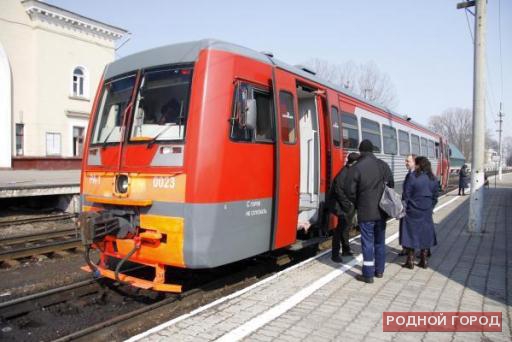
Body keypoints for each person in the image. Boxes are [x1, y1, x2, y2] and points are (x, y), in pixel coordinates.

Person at [344, 140, 394, 283]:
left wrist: (358, 200)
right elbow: (390, 184)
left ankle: (368, 274)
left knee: (367, 243)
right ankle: (379, 271)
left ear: (360, 151)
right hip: (382, 211)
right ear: (372, 151)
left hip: (366, 211)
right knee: (379, 242)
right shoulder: (383, 165)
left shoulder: (357, 167)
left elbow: (349, 190)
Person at [401, 156, 439, 269]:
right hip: (426, 210)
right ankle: (424, 260)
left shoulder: (412, 177)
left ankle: (410, 260)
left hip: (412, 210)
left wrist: (405, 207)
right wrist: (430, 207)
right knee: (425, 233)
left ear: (418, 165)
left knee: (410, 233)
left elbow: (406, 195)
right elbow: (435, 196)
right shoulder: (433, 178)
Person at [327, 152, 360, 263]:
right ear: (354, 162)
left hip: (343, 205)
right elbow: (338, 191)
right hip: (339, 206)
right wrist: (348, 205)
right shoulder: (343, 173)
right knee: (339, 230)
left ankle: (346, 250)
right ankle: (335, 254)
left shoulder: (349, 171)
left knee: (345, 227)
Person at [398, 154, 416, 256]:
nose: (405, 163)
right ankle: (405, 247)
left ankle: (409, 252)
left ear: (414, 162)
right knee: (404, 228)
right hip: (406, 205)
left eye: (407, 161)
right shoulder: (409, 174)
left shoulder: (415, 175)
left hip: (411, 207)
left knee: (409, 229)